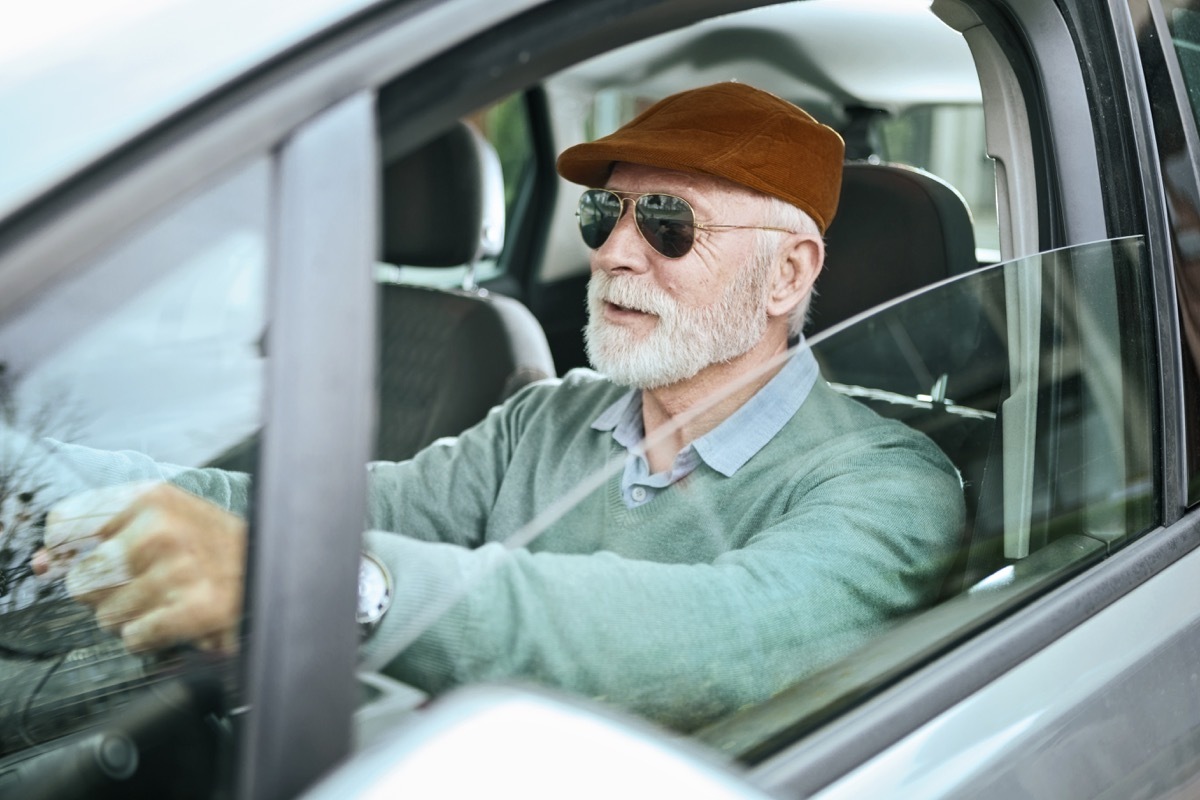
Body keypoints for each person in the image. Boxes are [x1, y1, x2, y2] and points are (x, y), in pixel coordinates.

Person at [29, 82, 964, 731]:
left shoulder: (890, 486)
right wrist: (51, 480)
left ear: (786, 275)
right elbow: (349, 510)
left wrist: (327, 587)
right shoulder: (551, 419)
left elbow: (721, 633)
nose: (614, 255)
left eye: (669, 225)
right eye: (605, 217)